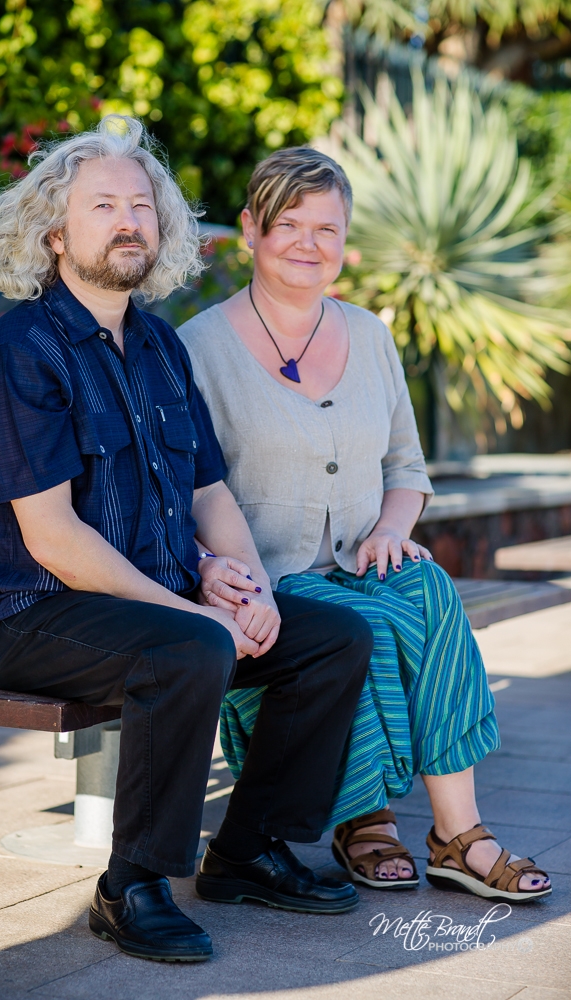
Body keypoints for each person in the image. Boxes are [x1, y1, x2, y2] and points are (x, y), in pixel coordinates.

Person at [0, 118, 374, 964]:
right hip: (35, 612)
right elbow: (53, 539)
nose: (128, 222)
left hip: (151, 600)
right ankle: (132, 886)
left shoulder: (156, 343)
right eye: (102, 204)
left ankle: (248, 850)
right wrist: (198, 614)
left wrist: (253, 597)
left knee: (330, 637)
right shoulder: (22, 351)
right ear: (53, 230)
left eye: (142, 206)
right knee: (188, 649)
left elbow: (207, 489)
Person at [177, 146, 551, 902]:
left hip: (358, 559)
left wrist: (389, 527)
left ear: (345, 242)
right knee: (365, 629)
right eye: (288, 224)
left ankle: (457, 833)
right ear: (248, 229)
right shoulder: (197, 348)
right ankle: (365, 818)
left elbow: (406, 467)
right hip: (269, 582)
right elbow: (175, 490)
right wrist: (210, 570)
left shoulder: (370, 335)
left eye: (327, 228)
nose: (308, 244)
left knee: (428, 590)